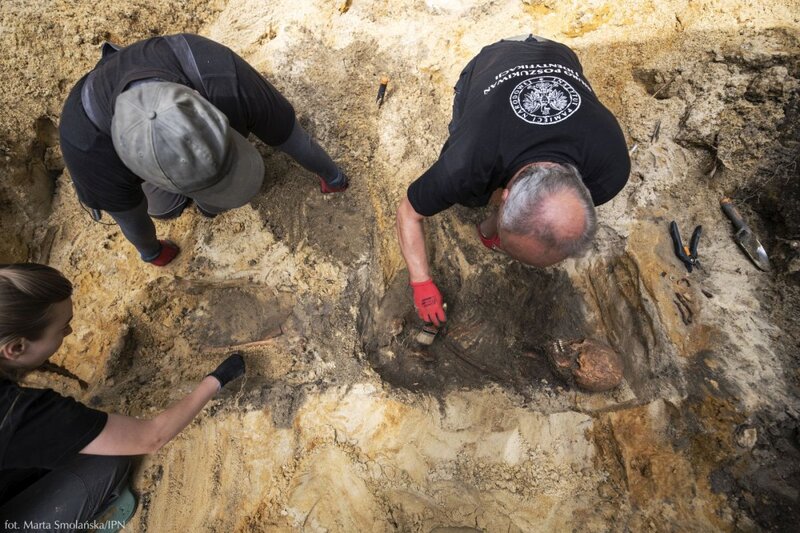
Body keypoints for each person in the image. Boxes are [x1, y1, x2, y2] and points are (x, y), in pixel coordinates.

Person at [396, 35, 631, 325]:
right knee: (469, 191)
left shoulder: (610, 168)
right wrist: (421, 283)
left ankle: (491, 229)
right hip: (495, 59)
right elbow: (408, 213)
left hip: (559, 54)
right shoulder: (466, 161)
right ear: (502, 197)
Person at [60, 33, 349, 267]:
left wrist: (332, 175)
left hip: (166, 70)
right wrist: (151, 252)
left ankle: (210, 198)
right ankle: (202, 198)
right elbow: (131, 217)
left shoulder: (221, 74)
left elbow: (293, 136)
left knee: (208, 201)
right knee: (164, 209)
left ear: (203, 102)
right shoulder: (87, 150)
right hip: (113, 141)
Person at [0, 263, 245, 532]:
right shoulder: (19, 412)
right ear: (16, 347)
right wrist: (216, 379)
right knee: (108, 462)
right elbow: (152, 437)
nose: (69, 333)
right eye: (62, 328)